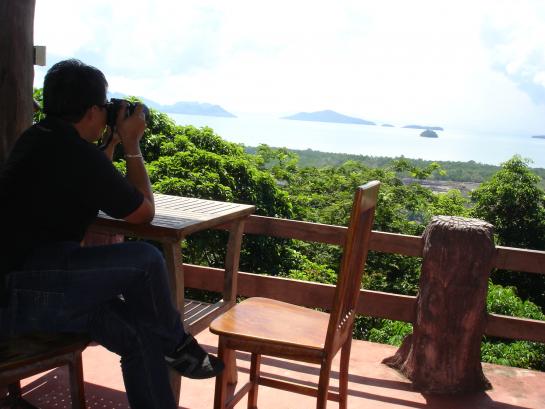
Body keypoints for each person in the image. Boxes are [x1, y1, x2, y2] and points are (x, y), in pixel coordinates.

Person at [0, 59, 223, 409]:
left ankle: (168, 348)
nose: (107, 113)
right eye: (103, 106)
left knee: (140, 335)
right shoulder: (75, 154)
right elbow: (143, 214)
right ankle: (177, 346)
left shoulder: (38, 138)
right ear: (91, 111)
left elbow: (93, 176)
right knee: (145, 260)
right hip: (25, 293)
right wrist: (132, 144)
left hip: (27, 289)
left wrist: (111, 142)